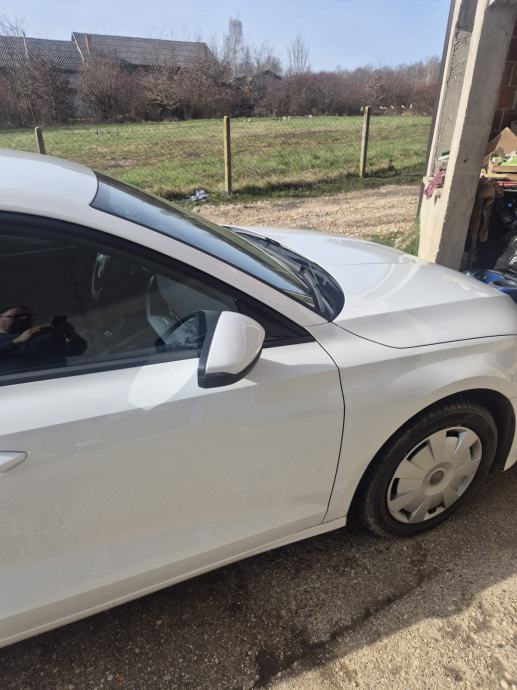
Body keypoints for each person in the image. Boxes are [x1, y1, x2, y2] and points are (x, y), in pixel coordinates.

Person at [0, 306, 87, 375]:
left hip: (59, 380)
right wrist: (18, 341)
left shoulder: (45, 334)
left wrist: (71, 335)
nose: (24, 318)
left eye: (28, 315)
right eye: (17, 316)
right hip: (16, 384)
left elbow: (76, 351)